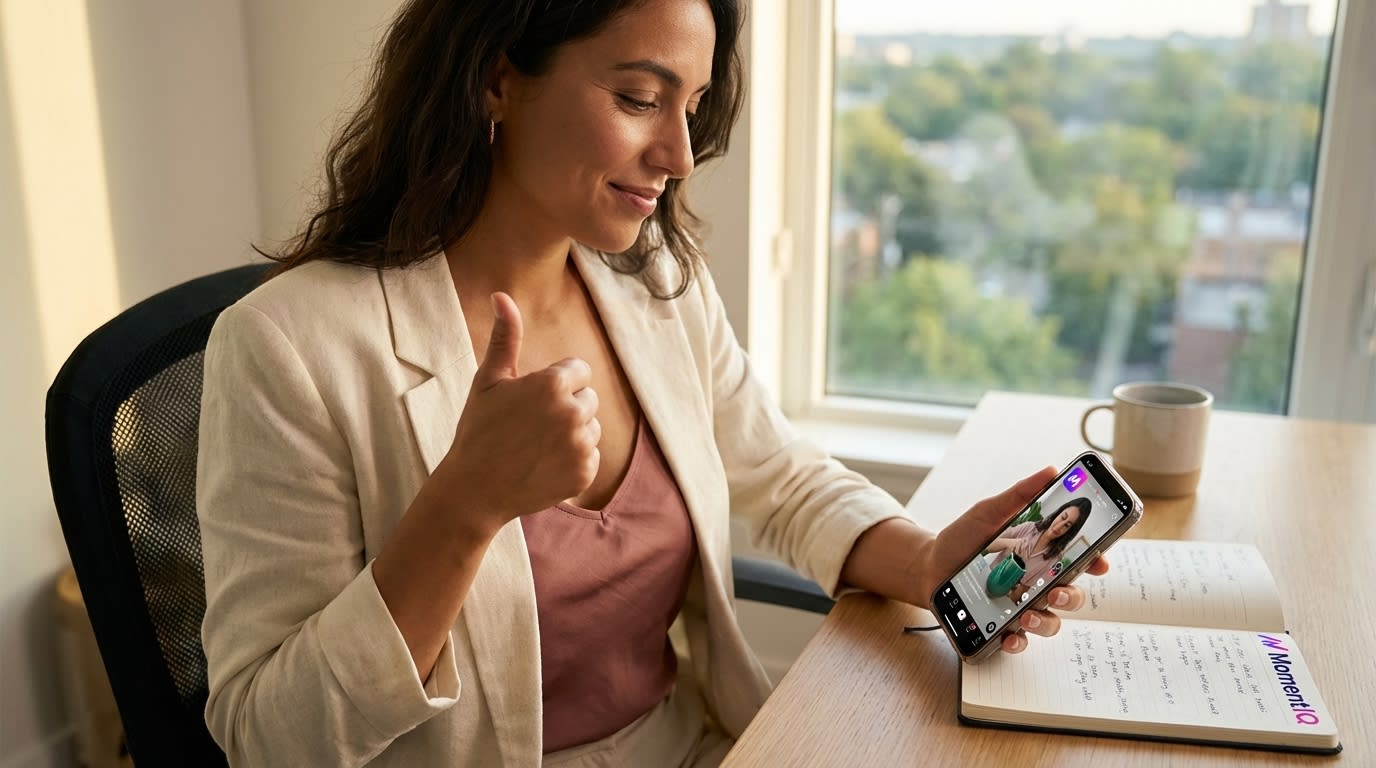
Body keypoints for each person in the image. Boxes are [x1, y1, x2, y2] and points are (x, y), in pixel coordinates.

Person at [194, 1, 1108, 765]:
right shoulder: (287, 347)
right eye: (639, 98)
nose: (678, 154)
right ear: (497, 76)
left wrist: (924, 559)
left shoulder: (653, 278)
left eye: (693, 105)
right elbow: (268, 738)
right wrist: (464, 507)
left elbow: (778, 474)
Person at [986, 497, 1092, 602]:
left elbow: (1022, 591)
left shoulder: (1053, 559)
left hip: (1000, 599)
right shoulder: (1029, 528)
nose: (1059, 526)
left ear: (1070, 532)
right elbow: (989, 546)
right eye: (1063, 517)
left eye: (1067, 525)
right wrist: (1011, 543)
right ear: (1058, 513)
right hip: (984, 578)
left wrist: (1012, 591)